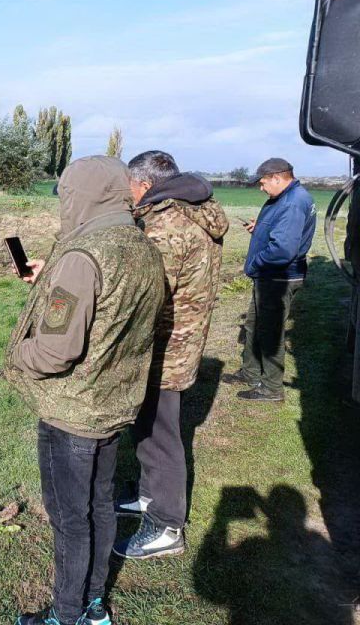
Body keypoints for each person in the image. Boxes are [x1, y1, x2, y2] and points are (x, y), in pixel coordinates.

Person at [3, 156, 165, 625]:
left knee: (70, 518)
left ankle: (67, 614)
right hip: (114, 401)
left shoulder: (83, 255)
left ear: (82, 196)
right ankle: (95, 605)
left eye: (66, 195)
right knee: (99, 503)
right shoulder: (140, 246)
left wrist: (16, 356)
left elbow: (56, 351)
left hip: (72, 411)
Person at [112, 151, 228, 560]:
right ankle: (147, 497)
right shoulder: (195, 212)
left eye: (128, 184)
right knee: (150, 427)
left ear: (143, 184)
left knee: (161, 438)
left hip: (163, 350)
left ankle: (166, 526)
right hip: (180, 343)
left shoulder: (165, 226)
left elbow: (145, 295)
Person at [222, 158, 316, 402]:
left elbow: (283, 250)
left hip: (278, 278)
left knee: (271, 333)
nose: (261, 188)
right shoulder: (286, 198)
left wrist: (255, 263)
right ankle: (250, 373)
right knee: (255, 325)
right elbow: (283, 232)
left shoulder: (293, 203)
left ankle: (272, 389)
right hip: (270, 277)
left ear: (277, 177)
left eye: (263, 183)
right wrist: (260, 228)